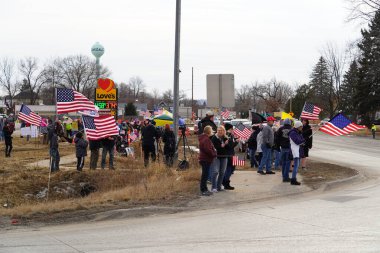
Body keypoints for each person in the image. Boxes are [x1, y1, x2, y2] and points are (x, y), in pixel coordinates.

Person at [198, 125, 217, 196]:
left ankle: (205, 189)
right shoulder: (206, 139)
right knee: (205, 175)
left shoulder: (204, 138)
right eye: (211, 130)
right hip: (205, 159)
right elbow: (207, 149)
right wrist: (214, 153)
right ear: (209, 131)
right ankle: (203, 190)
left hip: (205, 159)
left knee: (205, 175)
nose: (212, 131)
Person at [211, 126, 229, 192]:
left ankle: (219, 187)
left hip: (224, 157)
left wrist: (227, 144)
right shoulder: (214, 138)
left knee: (222, 172)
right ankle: (213, 187)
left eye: (221, 130)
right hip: (216, 157)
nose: (220, 131)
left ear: (224, 131)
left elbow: (228, 148)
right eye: (218, 130)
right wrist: (223, 145)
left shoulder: (225, 138)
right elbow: (214, 147)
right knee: (215, 172)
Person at [275, 118, 293, 182]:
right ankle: (286, 177)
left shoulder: (280, 129)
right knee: (288, 163)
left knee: (283, 163)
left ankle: (284, 176)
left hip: (282, 148)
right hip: (289, 148)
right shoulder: (292, 129)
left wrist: (277, 147)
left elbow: (276, 138)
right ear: (290, 123)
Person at [223, 123, 239, 190]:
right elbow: (230, 146)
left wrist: (235, 140)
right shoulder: (227, 135)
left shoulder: (230, 135)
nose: (233, 130)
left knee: (232, 168)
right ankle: (225, 182)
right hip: (228, 154)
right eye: (232, 129)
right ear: (229, 129)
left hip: (231, 153)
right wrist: (236, 142)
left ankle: (224, 181)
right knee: (229, 169)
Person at [289, 121, 305, 185]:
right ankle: (293, 179)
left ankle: (293, 179)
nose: (302, 128)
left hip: (297, 150)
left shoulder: (298, 132)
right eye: (301, 126)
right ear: (298, 127)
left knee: (296, 166)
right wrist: (303, 140)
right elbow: (297, 142)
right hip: (294, 151)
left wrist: (303, 141)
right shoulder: (292, 133)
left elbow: (301, 140)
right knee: (296, 166)